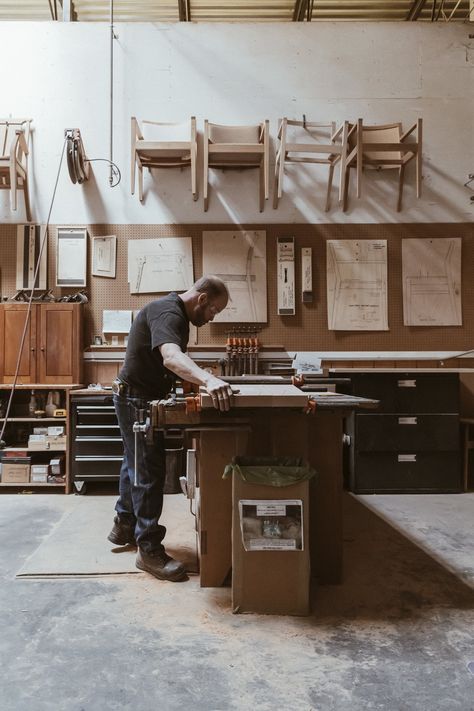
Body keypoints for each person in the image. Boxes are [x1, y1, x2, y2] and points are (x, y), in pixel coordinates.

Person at [108, 275, 234, 582]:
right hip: (136, 399)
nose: (212, 317)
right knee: (149, 471)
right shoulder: (170, 313)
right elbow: (171, 357)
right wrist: (209, 380)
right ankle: (148, 550)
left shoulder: (171, 312)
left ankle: (124, 525)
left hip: (133, 395)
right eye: (213, 310)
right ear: (202, 299)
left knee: (134, 461)